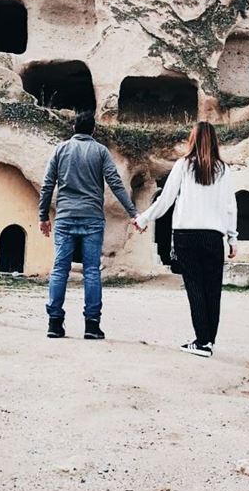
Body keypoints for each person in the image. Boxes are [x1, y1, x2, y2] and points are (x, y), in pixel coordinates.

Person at [134, 121, 237, 358]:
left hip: (186, 236)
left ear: (193, 140)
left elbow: (166, 199)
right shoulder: (223, 169)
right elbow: (230, 207)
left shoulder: (183, 165)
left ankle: (202, 342)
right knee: (213, 290)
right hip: (214, 237)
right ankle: (208, 340)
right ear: (214, 142)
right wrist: (233, 239)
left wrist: (143, 219)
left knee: (195, 288)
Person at [39, 110, 138, 340]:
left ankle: (55, 323)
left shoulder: (61, 150)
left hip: (64, 217)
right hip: (92, 219)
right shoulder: (100, 151)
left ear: (74, 127)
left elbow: (47, 185)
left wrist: (43, 216)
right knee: (92, 271)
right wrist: (133, 212)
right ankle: (92, 326)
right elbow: (116, 183)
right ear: (93, 130)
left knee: (60, 269)